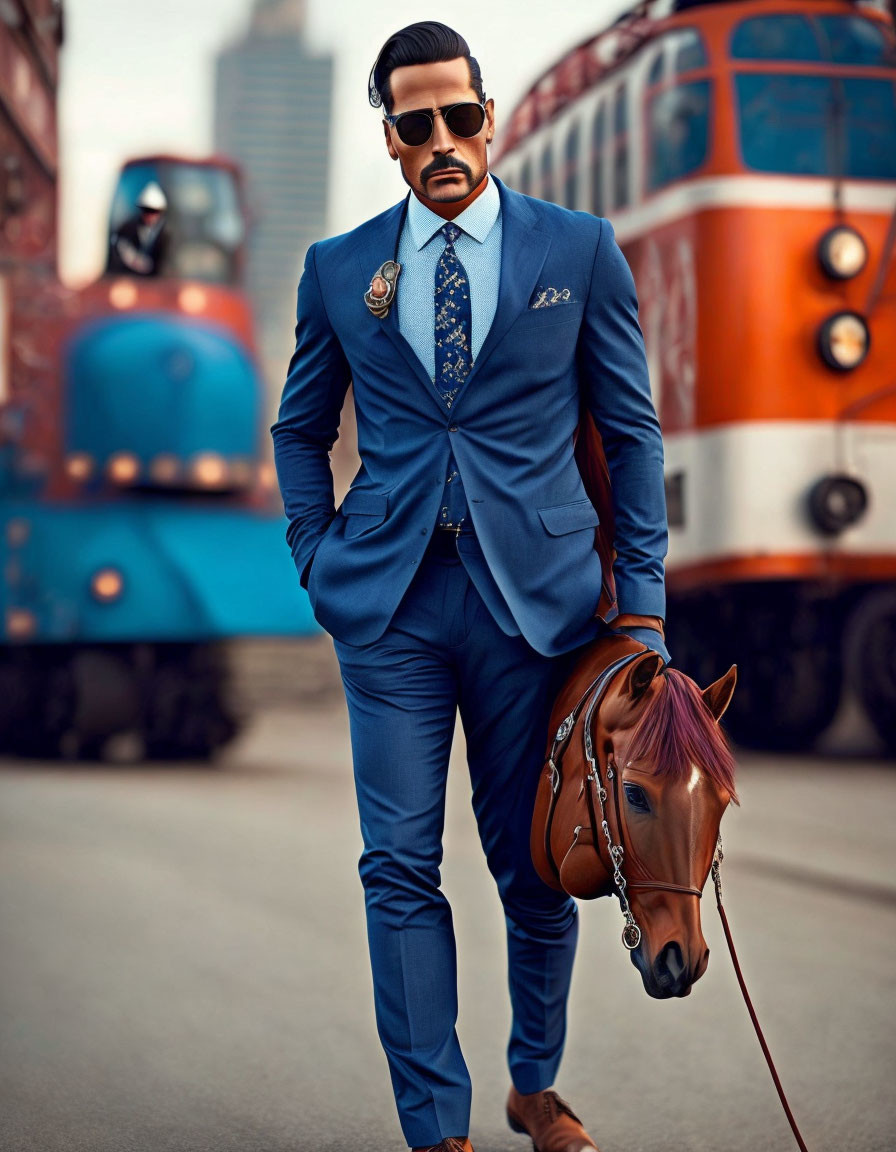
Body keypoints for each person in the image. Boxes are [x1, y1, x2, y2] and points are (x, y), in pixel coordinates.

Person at [271, 22, 668, 1152]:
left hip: (535, 606)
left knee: (535, 864)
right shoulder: (338, 269)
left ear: (486, 118)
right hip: (388, 605)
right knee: (398, 864)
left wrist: (637, 606)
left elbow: (632, 437)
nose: (442, 139)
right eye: (415, 123)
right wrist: (314, 551)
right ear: (390, 138)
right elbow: (300, 430)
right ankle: (432, 1127)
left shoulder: (577, 251)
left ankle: (531, 1086)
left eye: (460, 115)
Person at [107, 180, 170, 276]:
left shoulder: (167, 235)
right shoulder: (127, 229)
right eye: (147, 210)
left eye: (154, 211)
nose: (150, 215)